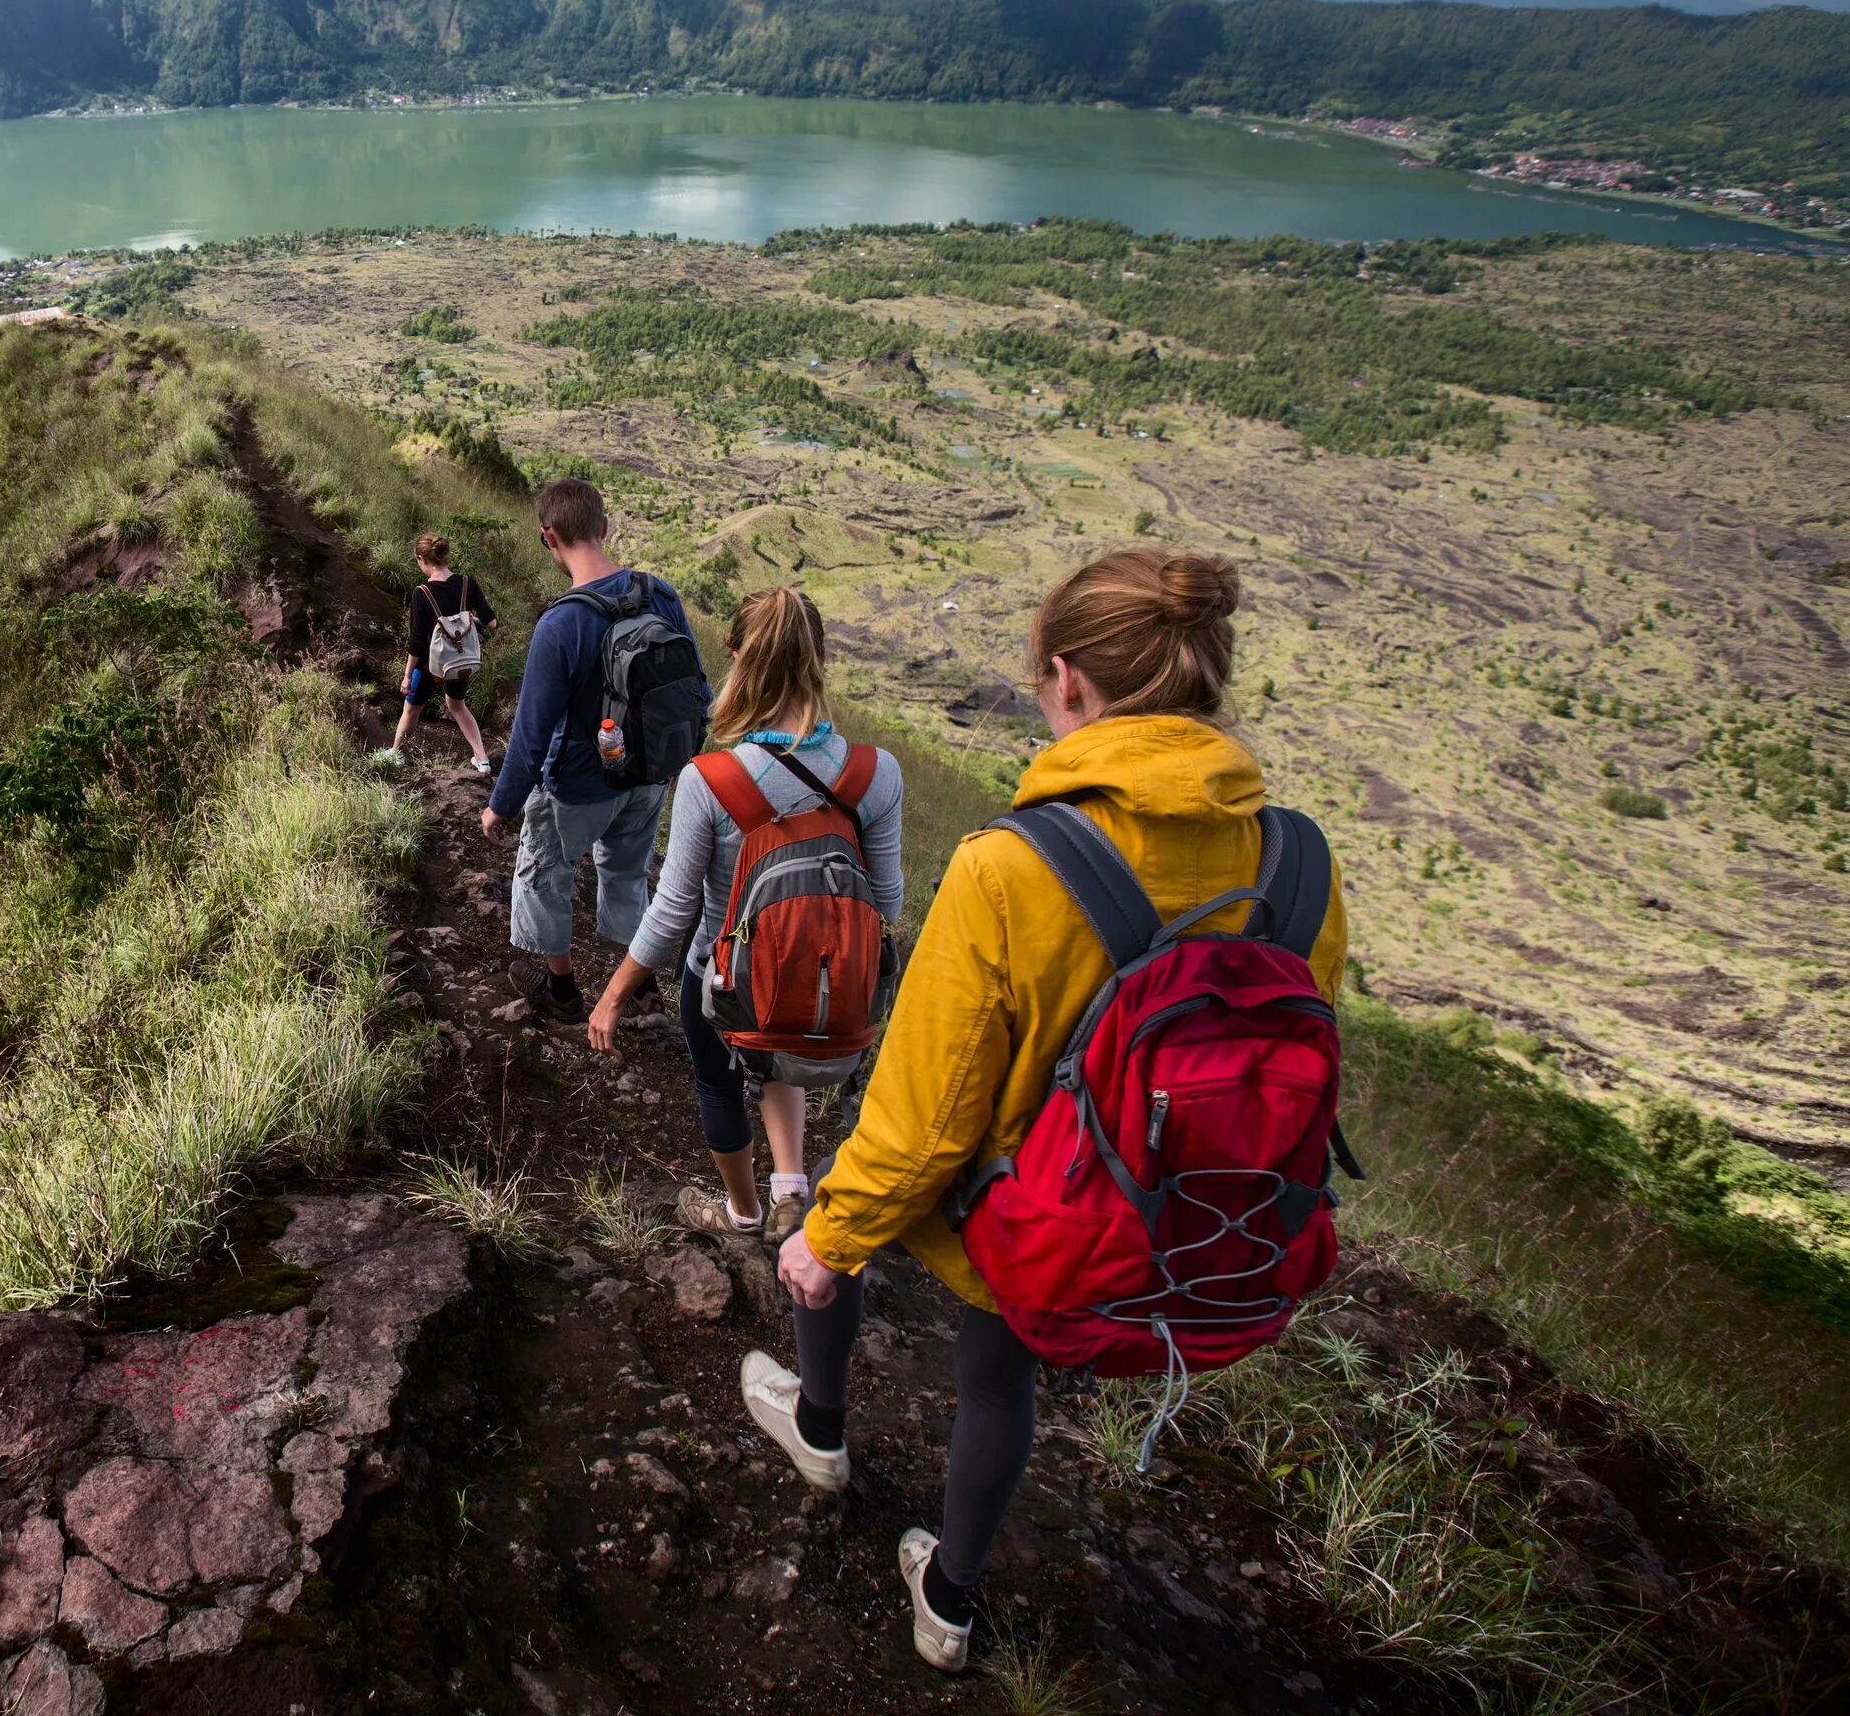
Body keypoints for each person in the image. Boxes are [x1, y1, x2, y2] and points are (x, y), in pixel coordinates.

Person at [749, 548, 1348, 1674]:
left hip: (1029, 1217)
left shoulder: (1011, 868)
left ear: (1068, 682)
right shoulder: (1300, 863)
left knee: (847, 1202)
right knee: (1000, 1367)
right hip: (1185, 1220)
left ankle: (820, 1429)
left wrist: (828, 1243)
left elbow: (922, 1120)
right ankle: (951, 1598)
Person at [585, 588, 902, 1246]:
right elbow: (890, 903)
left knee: (720, 1084)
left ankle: (743, 1212)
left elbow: (673, 909)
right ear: (822, 659)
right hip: (824, 984)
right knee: (784, 1047)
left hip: (722, 980)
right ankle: (792, 1188)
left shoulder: (712, 777)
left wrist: (614, 994)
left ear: (735, 658)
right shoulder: (877, 775)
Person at [480, 478, 699, 1023]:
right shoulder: (661, 595)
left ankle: (560, 988)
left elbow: (531, 737)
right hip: (648, 779)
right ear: (605, 527)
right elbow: (695, 692)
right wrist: (675, 762)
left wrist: (501, 806)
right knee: (626, 873)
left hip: (579, 786)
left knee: (544, 869)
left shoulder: (561, 625)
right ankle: (641, 989)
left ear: (547, 537)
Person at [388, 532, 497, 774]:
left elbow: (417, 641)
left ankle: (395, 753)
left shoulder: (421, 593)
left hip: (430, 666)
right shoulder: (468, 583)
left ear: (422, 558)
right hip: (460, 662)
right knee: (457, 705)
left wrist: (407, 675)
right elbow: (491, 623)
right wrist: (468, 620)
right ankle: (482, 759)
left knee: (412, 708)